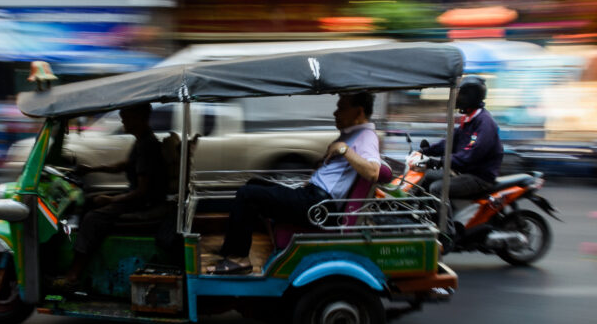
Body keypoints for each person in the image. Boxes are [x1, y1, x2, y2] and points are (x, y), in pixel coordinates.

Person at [212, 92, 382, 275]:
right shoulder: (352, 134)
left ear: (358, 112)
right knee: (254, 183)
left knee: (247, 195)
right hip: (312, 198)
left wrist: (343, 149)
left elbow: (373, 172)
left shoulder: (366, 136)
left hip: (317, 207)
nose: (335, 113)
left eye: (341, 107)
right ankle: (232, 249)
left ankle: (239, 258)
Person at [52, 103, 168, 292]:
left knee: (92, 218)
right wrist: (93, 169)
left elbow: (141, 192)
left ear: (139, 118)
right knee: (88, 201)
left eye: (126, 117)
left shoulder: (148, 145)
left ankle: (74, 274)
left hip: (145, 203)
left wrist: (110, 200)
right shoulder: (141, 140)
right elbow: (125, 165)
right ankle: (86, 252)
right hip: (140, 198)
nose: (122, 121)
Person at [416, 75, 503, 202]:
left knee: (437, 188)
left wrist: (441, 161)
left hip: (479, 177)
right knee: (425, 177)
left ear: (470, 96)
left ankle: (445, 222)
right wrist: (426, 151)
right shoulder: (469, 119)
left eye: (461, 94)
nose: (457, 97)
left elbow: (471, 153)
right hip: (464, 172)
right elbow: (449, 142)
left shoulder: (484, 123)